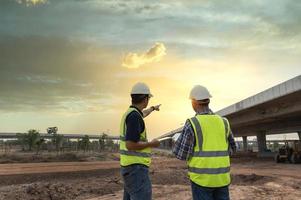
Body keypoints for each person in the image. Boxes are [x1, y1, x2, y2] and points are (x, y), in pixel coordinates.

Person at [173, 85, 236, 200]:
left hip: (201, 181)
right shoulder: (224, 122)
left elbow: (181, 154)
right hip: (222, 179)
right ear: (208, 101)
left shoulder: (192, 123)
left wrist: (175, 141)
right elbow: (232, 149)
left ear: (194, 103)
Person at [120, 82, 161, 200]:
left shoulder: (132, 113)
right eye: (148, 97)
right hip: (136, 169)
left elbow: (143, 113)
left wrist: (153, 108)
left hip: (129, 168)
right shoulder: (134, 117)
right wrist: (151, 144)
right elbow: (130, 144)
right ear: (145, 98)